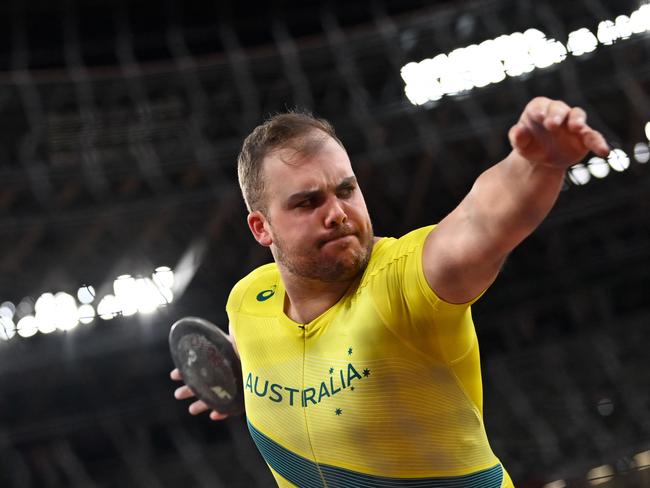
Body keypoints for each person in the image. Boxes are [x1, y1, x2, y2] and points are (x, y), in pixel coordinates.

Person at [171, 97, 609, 487]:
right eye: (308, 202)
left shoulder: (403, 283)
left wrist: (535, 165)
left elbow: (479, 223)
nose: (338, 214)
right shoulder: (248, 302)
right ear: (261, 227)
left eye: (346, 190)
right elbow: (263, 350)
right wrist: (229, 374)